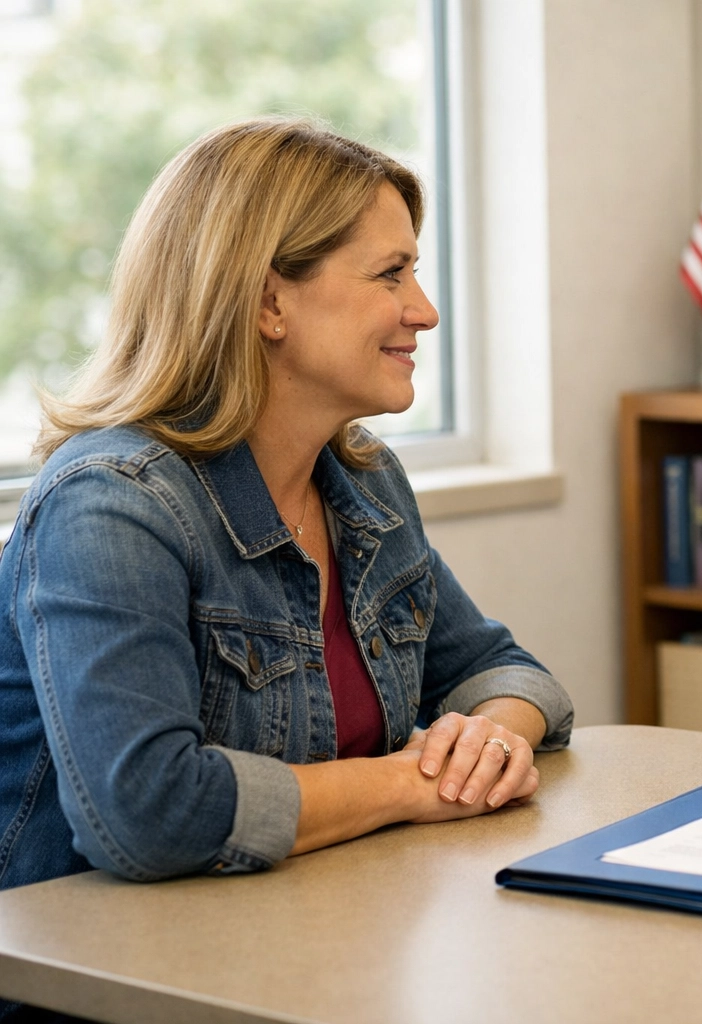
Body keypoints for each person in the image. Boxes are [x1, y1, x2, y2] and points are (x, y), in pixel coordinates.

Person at [0, 119, 575, 907]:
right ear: (271, 301)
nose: (425, 310)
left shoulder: (362, 480)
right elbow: (148, 811)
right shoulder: (112, 505)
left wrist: (492, 736)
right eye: (391, 275)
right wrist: (409, 784)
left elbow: (506, 673)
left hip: (313, 932)